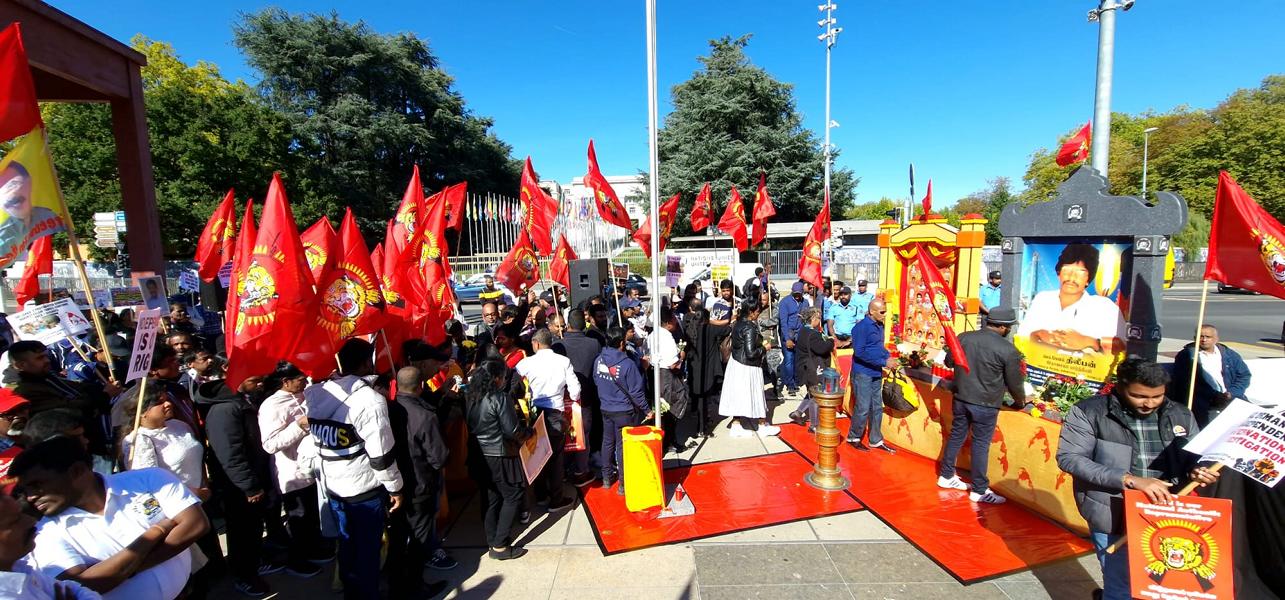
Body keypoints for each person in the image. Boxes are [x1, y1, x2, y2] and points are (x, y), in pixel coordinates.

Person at [1056, 358, 1219, 600]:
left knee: (1166, 581)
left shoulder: (1181, 413)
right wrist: (1129, 480)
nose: (1149, 404)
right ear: (1120, 387)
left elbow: (1195, 456)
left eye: (1157, 396)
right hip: (1114, 512)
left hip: (1168, 513)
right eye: (1139, 396)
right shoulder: (1089, 412)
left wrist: (1199, 469)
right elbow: (1070, 458)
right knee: (1120, 583)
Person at [11, 436, 210, 599]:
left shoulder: (149, 479)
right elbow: (80, 585)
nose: (30, 497)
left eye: (37, 485)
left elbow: (196, 525)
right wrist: (155, 533)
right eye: (26, 489)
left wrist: (123, 569)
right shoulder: (45, 532)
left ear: (77, 472)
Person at [305, 339, 403, 600]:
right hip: (363, 491)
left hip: (334, 488)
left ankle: (351, 593)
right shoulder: (370, 401)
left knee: (347, 545)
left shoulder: (316, 394)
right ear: (367, 363)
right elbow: (381, 454)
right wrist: (395, 487)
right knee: (367, 552)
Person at [936, 307, 1024, 504]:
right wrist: (1020, 401)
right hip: (986, 404)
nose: (1009, 330)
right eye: (1009, 327)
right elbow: (1015, 384)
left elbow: (949, 362)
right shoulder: (1008, 350)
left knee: (956, 435)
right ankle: (979, 490)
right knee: (980, 444)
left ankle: (946, 475)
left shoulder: (964, 338)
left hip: (961, 398)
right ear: (1003, 327)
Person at [257, 363, 331, 573]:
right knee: (299, 519)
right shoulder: (271, 406)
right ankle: (296, 560)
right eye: (300, 379)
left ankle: (313, 550)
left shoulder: (306, 395)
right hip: (292, 473)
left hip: (314, 468)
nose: (305, 382)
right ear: (285, 382)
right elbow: (270, 444)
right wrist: (299, 425)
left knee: (313, 515)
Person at [385, 367, 452, 599]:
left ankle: (394, 585)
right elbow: (439, 457)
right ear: (420, 386)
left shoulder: (386, 410)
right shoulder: (425, 416)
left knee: (397, 537)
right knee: (419, 539)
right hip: (420, 486)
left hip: (394, 484)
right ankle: (415, 587)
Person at [463, 359, 531, 561]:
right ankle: (500, 545)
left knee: (492, 497)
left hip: (479, 453)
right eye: (503, 377)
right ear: (496, 378)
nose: (504, 380)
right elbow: (512, 430)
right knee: (513, 494)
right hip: (499, 453)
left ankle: (492, 539)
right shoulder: (499, 398)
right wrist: (529, 433)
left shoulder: (471, 396)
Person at [1017, 243, 1126, 354]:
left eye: (1080, 272)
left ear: (1088, 279)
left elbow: (1123, 346)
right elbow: (1021, 337)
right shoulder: (1042, 299)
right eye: (1067, 270)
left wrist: (1089, 341)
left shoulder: (1105, 307)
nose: (1072, 277)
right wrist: (1037, 335)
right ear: (1058, 273)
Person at [515, 329, 580, 513]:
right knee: (556, 457)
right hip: (557, 412)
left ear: (536, 343)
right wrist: (571, 398)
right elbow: (575, 390)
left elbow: (513, 379)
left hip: (535, 413)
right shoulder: (563, 361)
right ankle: (556, 498)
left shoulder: (526, 363)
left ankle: (541, 495)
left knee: (538, 455)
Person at [0, 492, 102, 599]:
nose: (31, 521)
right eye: (15, 521)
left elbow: (78, 591)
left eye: (21, 514)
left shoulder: (20, 569)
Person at [119, 382, 205, 497]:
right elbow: (150, 485)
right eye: (159, 403)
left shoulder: (180, 425)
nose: (168, 404)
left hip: (202, 498)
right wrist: (194, 493)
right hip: (177, 502)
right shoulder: (138, 441)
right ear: (142, 412)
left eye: (167, 400)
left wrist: (204, 487)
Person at [595, 327, 650, 494]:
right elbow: (636, 392)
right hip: (624, 411)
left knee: (607, 442)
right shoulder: (627, 364)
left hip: (606, 408)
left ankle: (606, 477)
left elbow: (596, 380)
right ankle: (623, 483)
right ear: (621, 343)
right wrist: (647, 410)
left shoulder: (599, 360)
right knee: (622, 446)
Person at [551, 311, 603, 488]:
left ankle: (568, 469)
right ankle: (581, 469)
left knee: (566, 435)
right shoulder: (594, 344)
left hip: (564, 398)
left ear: (568, 325)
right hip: (585, 397)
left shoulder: (558, 344)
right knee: (583, 435)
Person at [1168, 324, 1251, 427]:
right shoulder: (1187, 356)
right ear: (1195, 338)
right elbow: (1184, 382)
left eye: (1208, 337)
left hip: (1231, 398)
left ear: (1216, 339)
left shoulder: (1229, 354)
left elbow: (1244, 375)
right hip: (1203, 403)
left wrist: (1232, 393)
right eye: (1201, 337)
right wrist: (1214, 396)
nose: (1204, 340)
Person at [719, 301, 778, 438]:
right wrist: (764, 348)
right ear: (751, 312)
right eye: (757, 312)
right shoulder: (749, 327)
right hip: (748, 366)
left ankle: (736, 424)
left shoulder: (737, 324)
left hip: (737, 363)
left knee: (739, 395)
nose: (758, 314)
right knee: (756, 394)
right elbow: (751, 353)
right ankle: (762, 425)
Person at [847, 299, 897, 453]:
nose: (885, 314)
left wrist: (888, 356)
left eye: (885, 311)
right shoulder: (861, 328)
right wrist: (883, 362)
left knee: (877, 407)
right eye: (882, 312)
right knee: (863, 407)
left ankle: (875, 439)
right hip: (863, 372)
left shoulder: (879, 325)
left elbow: (877, 346)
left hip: (875, 371)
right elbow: (860, 352)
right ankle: (854, 437)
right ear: (872, 311)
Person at [790, 308, 833, 432]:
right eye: (818, 318)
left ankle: (798, 412)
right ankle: (814, 425)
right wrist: (830, 341)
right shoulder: (813, 334)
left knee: (811, 392)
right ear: (813, 319)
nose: (819, 321)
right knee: (816, 395)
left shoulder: (803, 330)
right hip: (812, 368)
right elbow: (822, 348)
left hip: (804, 367)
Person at [777, 281, 807, 398]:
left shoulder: (805, 302)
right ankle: (790, 384)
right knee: (789, 359)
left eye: (799, 294)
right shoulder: (784, 302)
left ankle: (795, 380)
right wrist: (787, 338)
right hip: (788, 332)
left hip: (800, 333)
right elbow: (783, 322)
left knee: (797, 359)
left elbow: (806, 319)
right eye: (795, 294)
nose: (798, 296)